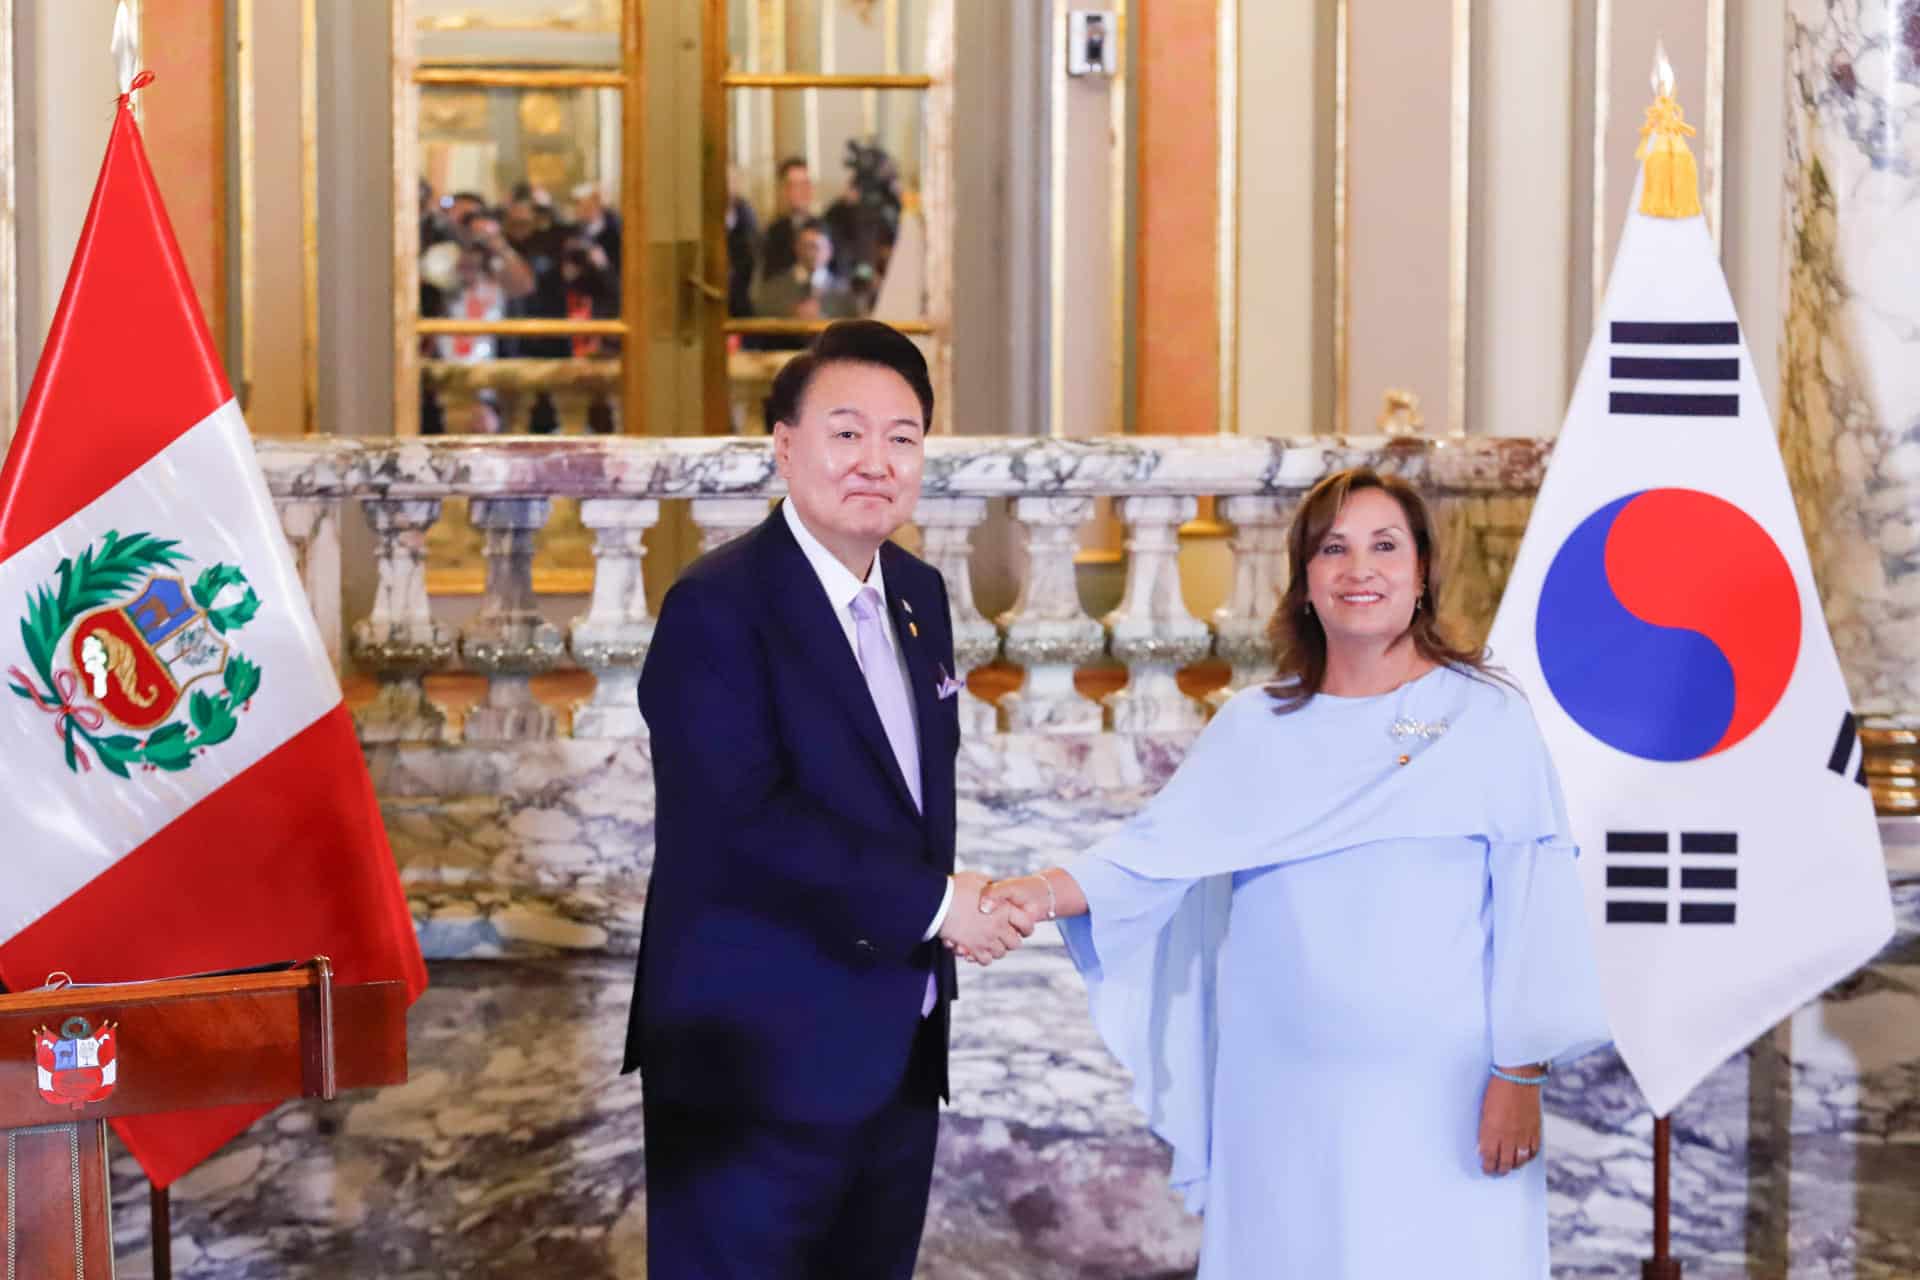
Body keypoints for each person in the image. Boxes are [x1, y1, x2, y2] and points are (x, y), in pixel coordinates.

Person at [981, 467, 1610, 1279]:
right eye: (1333, 550)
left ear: (1421, 573)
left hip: (1441, 1090)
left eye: (1385, 546)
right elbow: (1145, 858)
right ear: (1305, 583)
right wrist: (1023, 896)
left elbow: (1535, 902)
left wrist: (1518, 1072)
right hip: (1279, 1087)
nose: (1359, 570)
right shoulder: (1255, 726)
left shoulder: (1486, 718)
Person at [626, 319, 1035, 1279]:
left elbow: (903, 802)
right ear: (785, 444)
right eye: (847, 433)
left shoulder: (920, 595)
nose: (876, 462)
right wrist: (942, 906)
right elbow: (744, 824)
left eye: (903, 437)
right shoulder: (717, 606)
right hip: (751, 1071)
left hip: (893, 1052)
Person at [752, 218, 856, 322]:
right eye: (806, 246)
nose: (810, 253)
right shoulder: (774, 287)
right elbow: (761, 312)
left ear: (829, 250)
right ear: (796, 248)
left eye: (816, 247)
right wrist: (792, 313)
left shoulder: (844, 291)